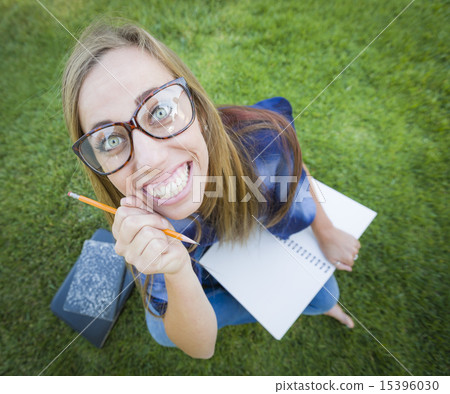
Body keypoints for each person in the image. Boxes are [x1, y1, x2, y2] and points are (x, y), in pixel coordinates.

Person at [62, 20, 360, 359]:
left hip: (252, 235)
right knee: (162, 329)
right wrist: (175, 271)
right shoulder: (143, 221)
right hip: (197, 268)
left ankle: (302, 304)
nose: (150, 160)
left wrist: (327, 230)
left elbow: (295, 173)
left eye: (159, 110)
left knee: (325, 296)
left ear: (199, 110)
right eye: (111, 140)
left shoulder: (263, 142)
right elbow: (200, 348)